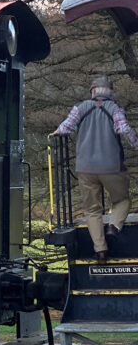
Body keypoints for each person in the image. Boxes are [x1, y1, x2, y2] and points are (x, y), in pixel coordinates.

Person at [53, 75, 138, 262]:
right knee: (122, 200)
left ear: (92, 91)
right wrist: (136, 142)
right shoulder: (114, 108)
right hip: (112, 167)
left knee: (91, 210)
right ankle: (114, 226)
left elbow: (66, 128)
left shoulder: (80, 108)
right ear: (110, 93)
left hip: (85, 169)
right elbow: (123, 129)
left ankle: (100, 250)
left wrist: (57, 132)